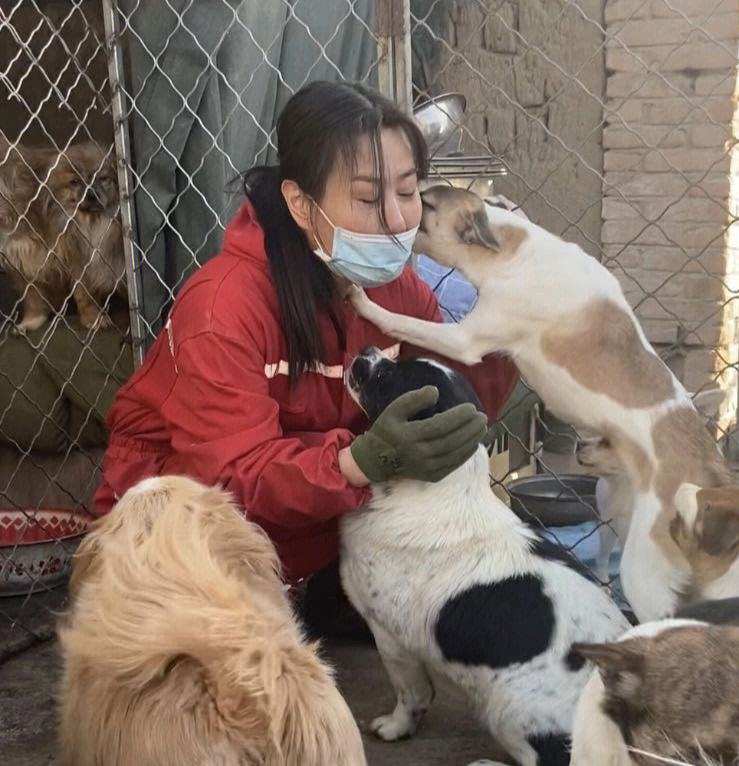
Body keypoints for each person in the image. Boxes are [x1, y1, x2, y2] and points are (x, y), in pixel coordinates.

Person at [94, 80, 518, 585]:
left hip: (320, 538)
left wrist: (515, 327)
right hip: (180, 548)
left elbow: (455, 404)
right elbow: (232, 478)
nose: (397, 219)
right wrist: (361, 462)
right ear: (299, 203)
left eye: (407, 192)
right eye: (367, 197)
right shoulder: (221, 308)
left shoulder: (394, 289)